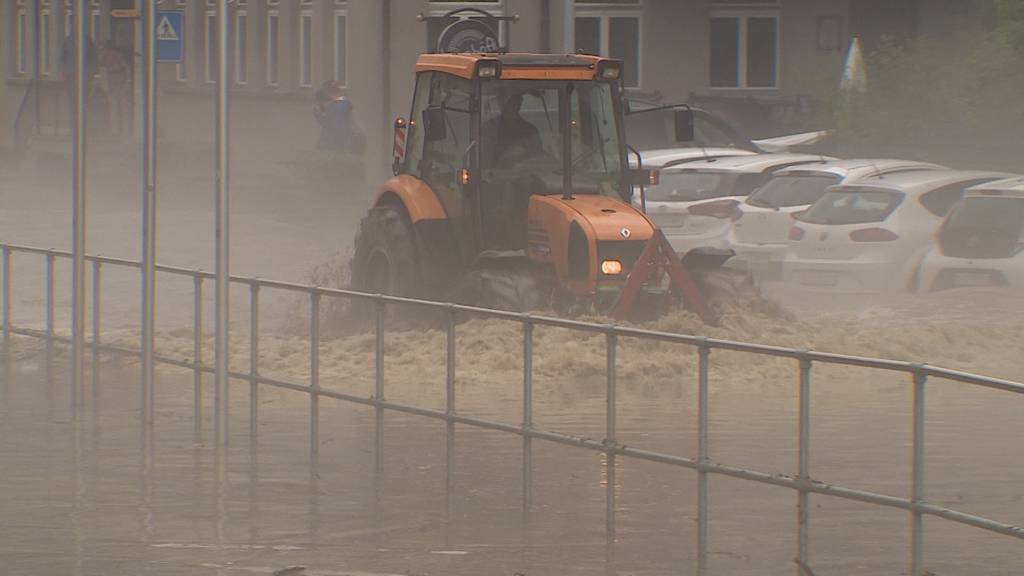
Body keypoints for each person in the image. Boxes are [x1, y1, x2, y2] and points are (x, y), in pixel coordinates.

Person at [488, 91, 542, 168]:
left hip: (526, 175)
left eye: (510, 101)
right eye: (501, 100)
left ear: (519, 103)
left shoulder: (530, 131)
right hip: (493, 176)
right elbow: (482, 156)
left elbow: (538, 157)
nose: (504, 104)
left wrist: (522, 154)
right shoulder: (489, 127)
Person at [99, 41, 131, 136]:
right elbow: (126, 67)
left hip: (115, 82)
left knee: (115, 106)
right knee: (120, 106)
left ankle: (116, 130)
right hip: (118, 81)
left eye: (103, 48)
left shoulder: (108, 55)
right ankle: (122, 130)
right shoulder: (116, 55)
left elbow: (101, 67)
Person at [314, 80, 354, 151]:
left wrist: (318, 114)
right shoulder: (342, 103)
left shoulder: (339, 106)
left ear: (328, 92)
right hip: (339, 143)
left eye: (324, 92)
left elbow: (332, 126)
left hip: (337, 145)